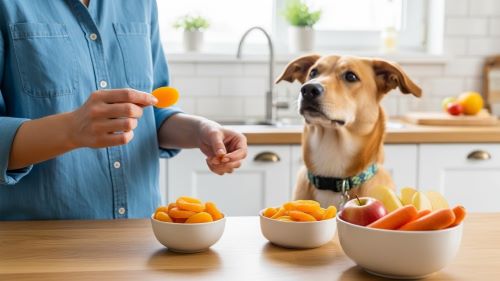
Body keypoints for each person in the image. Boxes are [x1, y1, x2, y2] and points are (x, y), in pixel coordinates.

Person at [0, 0, 247, 220]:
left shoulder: (142, 4)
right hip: (37, 244)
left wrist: (200, 131)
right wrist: (72, 129)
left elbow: (151, 111)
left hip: (141, 238)